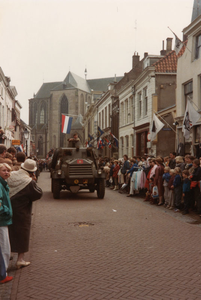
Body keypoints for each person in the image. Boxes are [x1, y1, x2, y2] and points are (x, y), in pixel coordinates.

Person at [7, 159, 43, 269]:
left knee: (7, 233)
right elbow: (38, 194)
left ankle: (7, 257)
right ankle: (20, 259)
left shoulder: (11, 175)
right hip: (22, 212)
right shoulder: (29, 182)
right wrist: (34, 181)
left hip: (7, 209)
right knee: (22, 234)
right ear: (32, 172)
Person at [0, 163, 13, 284]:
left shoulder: (3, 184)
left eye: (8, 171)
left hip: (3, 220)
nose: (6, 173)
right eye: (4, 170)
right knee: (4, 248)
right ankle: (3, 275)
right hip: (1, 220)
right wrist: (6, 210)